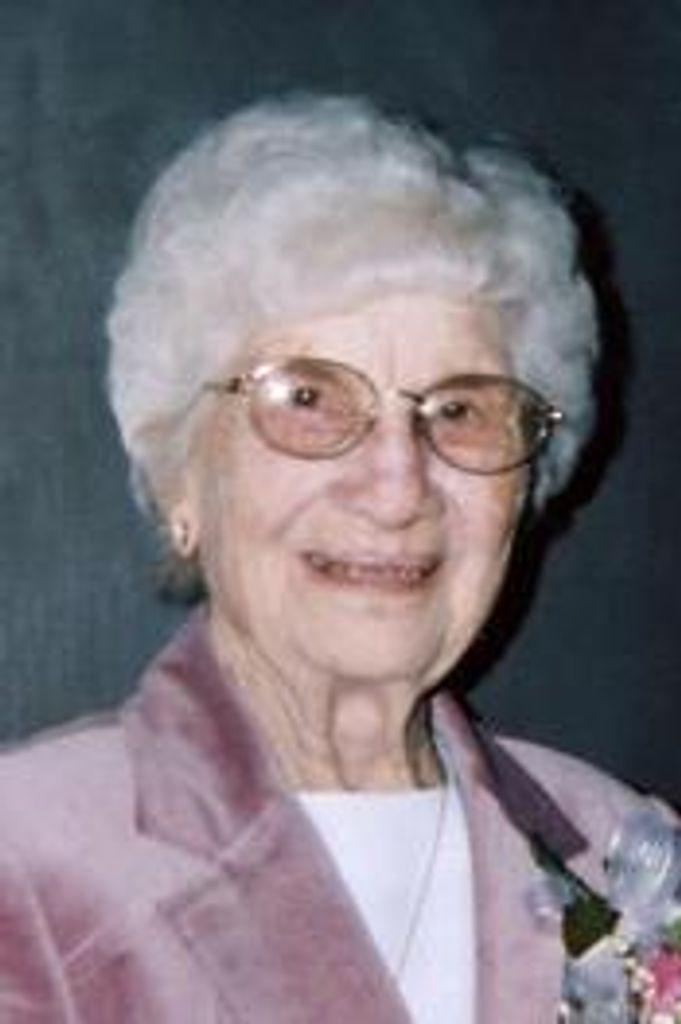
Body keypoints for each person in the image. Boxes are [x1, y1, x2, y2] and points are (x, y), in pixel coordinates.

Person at [0, 94, 675, 1024]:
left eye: (460, 410)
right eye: (309, 399)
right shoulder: (27, 858)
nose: (397, 488)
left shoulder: (625, 856)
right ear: (181, 477)